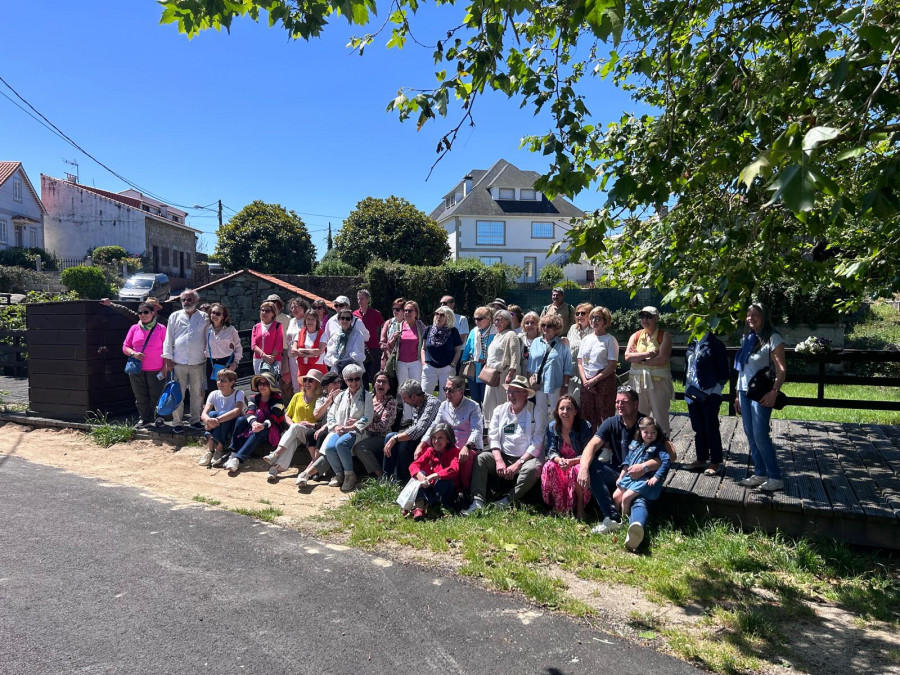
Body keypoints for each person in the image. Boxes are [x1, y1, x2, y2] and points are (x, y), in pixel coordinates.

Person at [577, 387, 665, 551]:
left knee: (639, 499)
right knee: (592, 466)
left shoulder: (647, 424)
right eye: (617, 402)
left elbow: (669, 455)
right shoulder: (611, 422)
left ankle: (636, 528)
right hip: (620, 474)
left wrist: (644, 467)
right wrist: (583, 467)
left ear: (636, 404)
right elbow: (592, 445)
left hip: (643, 477)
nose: (619, 405)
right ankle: (612, 518)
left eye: (624, 402)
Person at [464, 376, 544, 513]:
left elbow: (537, 443)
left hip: (526, 459)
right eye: (509, 391)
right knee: (481, 458)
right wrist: (499, 460)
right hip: (503, 455)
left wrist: (517, 464)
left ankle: (508, 500)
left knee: (532, 469)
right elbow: (493, 437)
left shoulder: (536, 411)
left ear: (526, 394)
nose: (510, 395)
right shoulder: (500, 410)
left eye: (515, 392)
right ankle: (477, 501)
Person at [734, 302, 787, 492]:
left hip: (762, 392)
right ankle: (760, 473)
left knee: (760, 433)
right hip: (744, 391)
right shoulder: (748, 338)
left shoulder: (773, 338)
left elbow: (781, 370)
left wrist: (774, 392)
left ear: (765, 316)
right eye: (748, 315)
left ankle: (775, 477)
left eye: (755, 315)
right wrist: (737, 395)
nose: (750, 318)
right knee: (750, 433)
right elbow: (742, 369)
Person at [415, 375, 483, 493]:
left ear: (461, 391)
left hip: (467, 446)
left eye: (450, 390)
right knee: (424, 450)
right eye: (445, 389)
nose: (447, 393)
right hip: (447, 444)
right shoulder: (444, 405)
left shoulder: (473, 406)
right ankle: (424, 483)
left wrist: (467, 447)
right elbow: (434, 426)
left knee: (465, 457)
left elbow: (477, 430)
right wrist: (422, 443)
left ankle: (465, 491)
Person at [319, 363, 374, 492]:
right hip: (340, 430)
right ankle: (339, 474)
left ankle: (350, 474)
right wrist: (336, 426)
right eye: (350, 379)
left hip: (357, 432)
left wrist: (352, 427)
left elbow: (368, 417)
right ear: (345, 380)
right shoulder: (341, 396)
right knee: (330, 448)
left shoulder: (367, 396)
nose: (354, 382)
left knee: (341, 444)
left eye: (357, 378)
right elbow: (331, 414)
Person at [263, 368, 324, 482]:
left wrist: (311, 424)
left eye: (311, 380)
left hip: (310, 432)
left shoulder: (321, 399)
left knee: (294, 430)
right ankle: (276, 468)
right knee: (292, 441)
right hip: (295, 430)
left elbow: (324, 421)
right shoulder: (297, 396)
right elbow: (287, 415)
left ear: (318, 384)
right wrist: (292, 425)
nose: (306, 383)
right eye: (305, 380)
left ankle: (276, 454)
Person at [162, 289, 209, 433]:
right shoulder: (174, 316)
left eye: (189, 300)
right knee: (177, 393)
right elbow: (168, 338)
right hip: (178, 362)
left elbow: (208, 338)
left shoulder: (204, 317)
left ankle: (195, 420)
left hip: (198, 362)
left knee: (196, 394)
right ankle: (177, 422)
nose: (186, 302)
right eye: (184, 300)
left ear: (196, 301)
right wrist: (168, 358)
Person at [683, 330, 730, 475]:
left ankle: (715, 462)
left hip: (710, 393)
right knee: (698, 427)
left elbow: (724, 373)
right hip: (693, 392)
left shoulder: (715, 345)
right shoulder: (693, 343)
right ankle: (701, 459)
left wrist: (714, 389)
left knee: (711, 427)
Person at [221, 372, 286, 474]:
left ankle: (237, 459)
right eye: (260, 383)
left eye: (265, 384)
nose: (262, 386)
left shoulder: (278, 399)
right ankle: (233, 452)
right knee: (240, 420)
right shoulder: (254, 398)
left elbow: (274, 417)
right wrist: (253, 423)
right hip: (256, 425)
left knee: (258, 432)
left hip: (272, 429)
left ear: (271, 385)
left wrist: (262, 425)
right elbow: (249, 412)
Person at [541, 395, 594, 518]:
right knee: (549, 466)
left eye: (569, 408)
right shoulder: (552, 427)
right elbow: (551, 450)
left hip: (579, 461)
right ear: (557, 411)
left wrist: (571, 462)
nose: (565, 412)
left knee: (577, 470)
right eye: (562, 408)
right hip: (562, 462)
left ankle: (580, 508)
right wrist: (560, 461)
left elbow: (589, 452)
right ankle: (558, 506)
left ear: (575, 411)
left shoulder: (584, 426)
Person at [625, 306, 674, 436]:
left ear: (656, 318)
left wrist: (639, 359)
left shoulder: (664, 336)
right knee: (639, 414)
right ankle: (641, 444)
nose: (644, 319)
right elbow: (627, 356)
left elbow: (662, 359)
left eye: (649, 316)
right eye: (642, 316)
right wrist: (649, 354)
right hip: (637, 382)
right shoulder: (636, 335)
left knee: (660, 415)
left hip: (658, 382)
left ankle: (663, 447)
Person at [613, 416, 671, 519]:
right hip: (629, 478)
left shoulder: (658, 447)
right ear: (640, 431)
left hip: (644, 480)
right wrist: (621, 477)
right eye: (646, 432)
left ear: (657, 433)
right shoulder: (635, 444)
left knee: (626, 498)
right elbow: (627, 461)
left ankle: (624, 520)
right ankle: (615, 518)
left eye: (653, 432)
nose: (649, 435)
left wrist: (656, 477)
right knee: (616, 496)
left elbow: (666, 461)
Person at [382, 379, 440, 482]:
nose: (403, 401)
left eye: (404, 398)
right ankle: (386, 477)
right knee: (389, 437)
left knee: (401, 442)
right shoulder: (416, 403)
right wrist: (394, 438)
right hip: (416, 436)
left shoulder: (432, 403)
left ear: (413, 397)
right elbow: (414, 426)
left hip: (428, 439)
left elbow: (419, 429)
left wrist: (396, 438)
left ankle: (401, 479)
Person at [122, 301, 167, 428]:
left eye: (146, 312)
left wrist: (165, 368)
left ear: (153, 313)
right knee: (140, 395)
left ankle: (158, 418)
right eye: (140, 312)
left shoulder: (161, 328)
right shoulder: (134, 328)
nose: (143, 315)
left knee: (156, 394)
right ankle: (144, 419)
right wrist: (134, 354)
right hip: (137, 368)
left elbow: (167, 349)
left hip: (156, 368)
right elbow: (125, 346)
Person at [295, 371, 344, 486]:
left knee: (321, 434)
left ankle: (311, 469)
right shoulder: (322, 399)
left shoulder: (343, 397)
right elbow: (317, 415)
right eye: (334, 383)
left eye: (339, 382)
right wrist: (329, 401)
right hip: (323, 427)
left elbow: (338, 418)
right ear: (326, 386)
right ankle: (317, 469)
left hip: (335, 428)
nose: (338, 385)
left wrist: (324, 427)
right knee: (310, 434)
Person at [405, 424, 462, 520]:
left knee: (445, 479)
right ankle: (420, 508)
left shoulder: (454, 452)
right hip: (432, 487)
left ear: (448, 440)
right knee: (419, 475)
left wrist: (435, 475)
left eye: (440, 438)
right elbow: (414, 465)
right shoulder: (430, 451)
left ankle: (427, 505)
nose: (436, 441)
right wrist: (419, 475)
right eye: (434, 438)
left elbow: (454, 469)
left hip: (447, 490)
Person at [526, 313, 572, 430]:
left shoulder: (562, 344)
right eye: (543, 325)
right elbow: (530, 366)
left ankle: (556, 441)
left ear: (556, 328)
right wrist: (530, 385)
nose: (545, 328)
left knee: (556, 414)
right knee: (540, 415)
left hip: (556, 384)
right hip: (539, 385)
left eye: (549, 325)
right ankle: (541, 444)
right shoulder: (536, 342)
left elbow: (567, 368)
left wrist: (565, 386)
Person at [577, 306, 620, 428]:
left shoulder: (610, 340)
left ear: (605, 321)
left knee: (604, 415)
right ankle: (589, 445)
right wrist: (586, 381)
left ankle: (606, 446)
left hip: (604, 381)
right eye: (592, 318)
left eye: (598, 318)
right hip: (586, 382)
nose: (594, 321)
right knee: (587, 416)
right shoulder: (585, 339)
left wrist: (594, 381)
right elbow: (580, 362)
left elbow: (612, 365)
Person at [352, 371, 398, 479]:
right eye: (378, 381)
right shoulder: (368, 397)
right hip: (364, 432)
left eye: (384, 382)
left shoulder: (390, 402)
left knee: (360, 448)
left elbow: (384, 425)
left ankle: (380, 476)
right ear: (374, 383)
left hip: (381, 436)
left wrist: (361, 424)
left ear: (389, 386)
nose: (381, 384)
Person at [480, 309, 521, 426]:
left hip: (504, 375)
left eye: (499, 320)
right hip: (492, 377)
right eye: (495, 320)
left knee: (504, 404)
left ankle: (506, 429)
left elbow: (515, 356)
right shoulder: (497, 336)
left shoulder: (511, 335)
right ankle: (492, 430)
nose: (496, 323)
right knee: (489, 403)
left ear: (507, 321)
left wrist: (510, 374)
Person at [198, 369, 245, 467]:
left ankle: (219, 448)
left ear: (232, 382)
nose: (220, 383)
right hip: (217, 424)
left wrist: (216, 420)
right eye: (218, 380)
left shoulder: (239, 393)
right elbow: (204, 413)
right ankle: (211, 451)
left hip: (233, 424)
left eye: (224, 380)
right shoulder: (214, 393)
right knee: (212, 414)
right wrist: (208, 421)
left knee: (220, 413)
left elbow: (237, 411)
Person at [395, 300, 428, 424]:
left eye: (410, 310)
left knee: (416, 389)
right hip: (401, 362)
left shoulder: (421, 326)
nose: (407, 313)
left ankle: (417, 415)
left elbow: (425, 344)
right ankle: (407, 416)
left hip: (416, 362)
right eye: (406, 310)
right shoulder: (399, 325)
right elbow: (389, 345)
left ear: (416, 313)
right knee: (403, 389)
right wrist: (393, 339)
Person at [420, 305, 463, 401]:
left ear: (448, 317)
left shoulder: (453, 331)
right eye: (437, 314)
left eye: (442, 315)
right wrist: (424, 364)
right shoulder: (428, 329)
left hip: (447, 368)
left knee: (444, 397)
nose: (438, 316)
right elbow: (423, 348)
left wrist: (452, 364)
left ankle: (442, 416)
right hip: (429, 367)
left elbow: (458, 350)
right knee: (424, 395)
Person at [460, 306, 495, 405]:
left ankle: (486, 419)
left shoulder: (495, 332)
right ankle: (476, 418)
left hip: (488, 368)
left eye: (479, 319)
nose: (476, 321)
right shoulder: (473, 331)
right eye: (475, 319)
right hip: (473, 369)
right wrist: (463, 362)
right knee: (474, 397)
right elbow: (467, 348)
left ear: (488, 319)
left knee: (486, 397)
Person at [354, 289, 385, 387]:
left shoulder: (376, 313)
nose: (360, 301)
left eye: (362, 298)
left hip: (373, 348)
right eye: (358, 299)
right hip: (360, 348)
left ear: (368, 299)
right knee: (362, 375)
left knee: (374, 374)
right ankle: (365, 395)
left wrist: (382, 340)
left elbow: (383, 326)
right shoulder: (354, 315)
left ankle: (376, 396)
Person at [206, 303, 242, 383]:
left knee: (227, 390)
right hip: (211, 364)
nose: (214, 315)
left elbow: (238, 347)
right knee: (212, 390)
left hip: (227, 363)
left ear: (223, 316)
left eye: (218, 314)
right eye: (213, 312)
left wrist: (235, 362)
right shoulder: (206, 329)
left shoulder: (231, 330)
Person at [324, 308, 366, 374]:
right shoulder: (335, 336)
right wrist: (337, 362)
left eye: (347, 318)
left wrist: (345, 363)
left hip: (353, 371)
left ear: (351, 320)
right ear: (339, 320)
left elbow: (358, 353)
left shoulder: (357, 334)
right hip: (337, 371)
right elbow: (329, 355)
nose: (345, 321)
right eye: (342, 318)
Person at [566, 302, 594, 401]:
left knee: (585, 402)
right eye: (577, 313)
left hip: (588, 373)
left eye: (583, 313)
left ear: (590, 315)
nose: (579, 316)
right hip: (572, 373)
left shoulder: (594, 331)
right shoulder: (573, 329)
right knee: (572, 401)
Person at [285, 297, 312, 391]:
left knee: (306, 381)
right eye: (292, 308)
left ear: (303, 307)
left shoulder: (308, 320)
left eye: (296, 307)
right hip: (292, 356)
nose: (294, 310)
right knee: (296, 383)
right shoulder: (292, 321)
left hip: (304, 356)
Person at [251, 301, 284, 377]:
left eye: (267, 311)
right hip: (258, 359)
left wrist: (271, 358)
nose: (264, 313)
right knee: (259, 383)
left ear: (273, 313)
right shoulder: (256, 327)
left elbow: (279, 344)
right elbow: (253, 345)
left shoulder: (278, 326)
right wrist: (264, 356)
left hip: (273, 359)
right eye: (262, 310)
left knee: (273, 384)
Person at [291, 309, 326, 380]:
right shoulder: (300, 333)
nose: (310, 321)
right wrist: (311, 354)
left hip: (317, 369)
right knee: (303, 389)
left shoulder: (322, 333)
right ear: (305, 321)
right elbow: (293, 351)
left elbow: (320, 351)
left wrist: (301, 350)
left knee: (317, 390)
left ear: (316, 321)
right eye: (308, 319)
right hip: (302, 368)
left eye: (312, 319)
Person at [380, 297, 406, 372]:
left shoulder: (408, 324)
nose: (395, 311)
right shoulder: (388, 323)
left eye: (397, 309)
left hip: (404, 358)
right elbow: (382, 342)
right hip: (388, 358)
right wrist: (389, 354)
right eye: (393, 309)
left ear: (404, 311)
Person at [517, 311, 540, 379]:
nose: (530, 325)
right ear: (523, 325)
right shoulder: (519, 338)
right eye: (527, 323)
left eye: (533, 322)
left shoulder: (544, 339)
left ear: (538, 324)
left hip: (538, 377)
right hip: (522, 377)